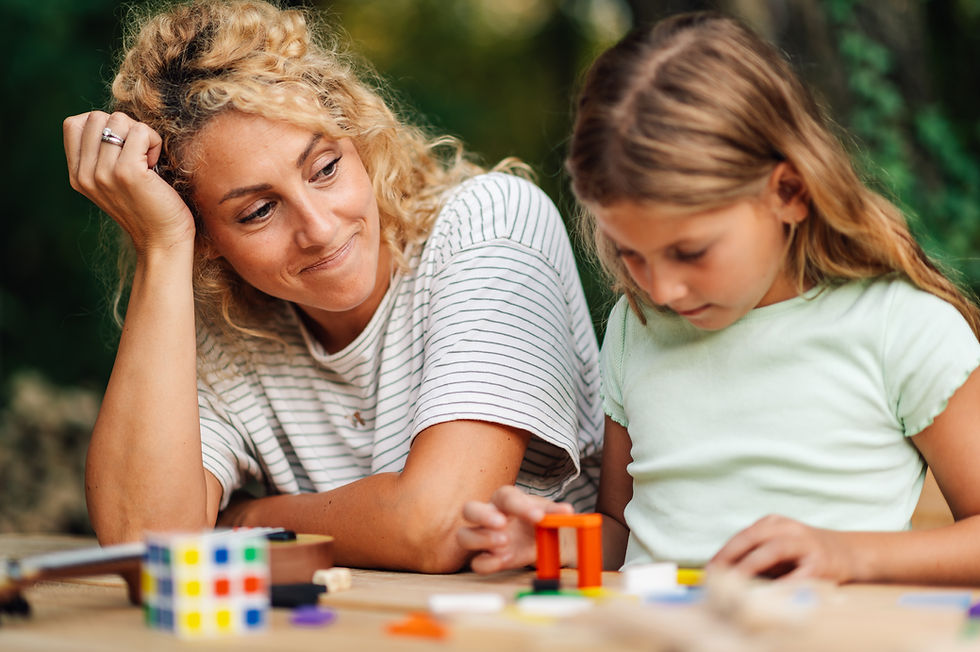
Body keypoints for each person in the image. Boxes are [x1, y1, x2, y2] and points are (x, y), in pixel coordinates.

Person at [62, 0, 603, 573]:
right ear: (208, 236)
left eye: (325, 169)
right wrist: (164, 248)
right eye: (259, 211)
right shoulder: (220, 326)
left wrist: (243, 520)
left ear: (358, 139)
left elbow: (439, 524)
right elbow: (146, 544)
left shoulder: (492, 224)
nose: (319, 230)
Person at [457, 12, 980, 584]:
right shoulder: (637, 329)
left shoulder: (902, 326)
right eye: (633, 254)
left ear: (788, 191)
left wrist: (851, 555)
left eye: (690, 252)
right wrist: (554, 541)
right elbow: (622, 532)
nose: (661, 290)